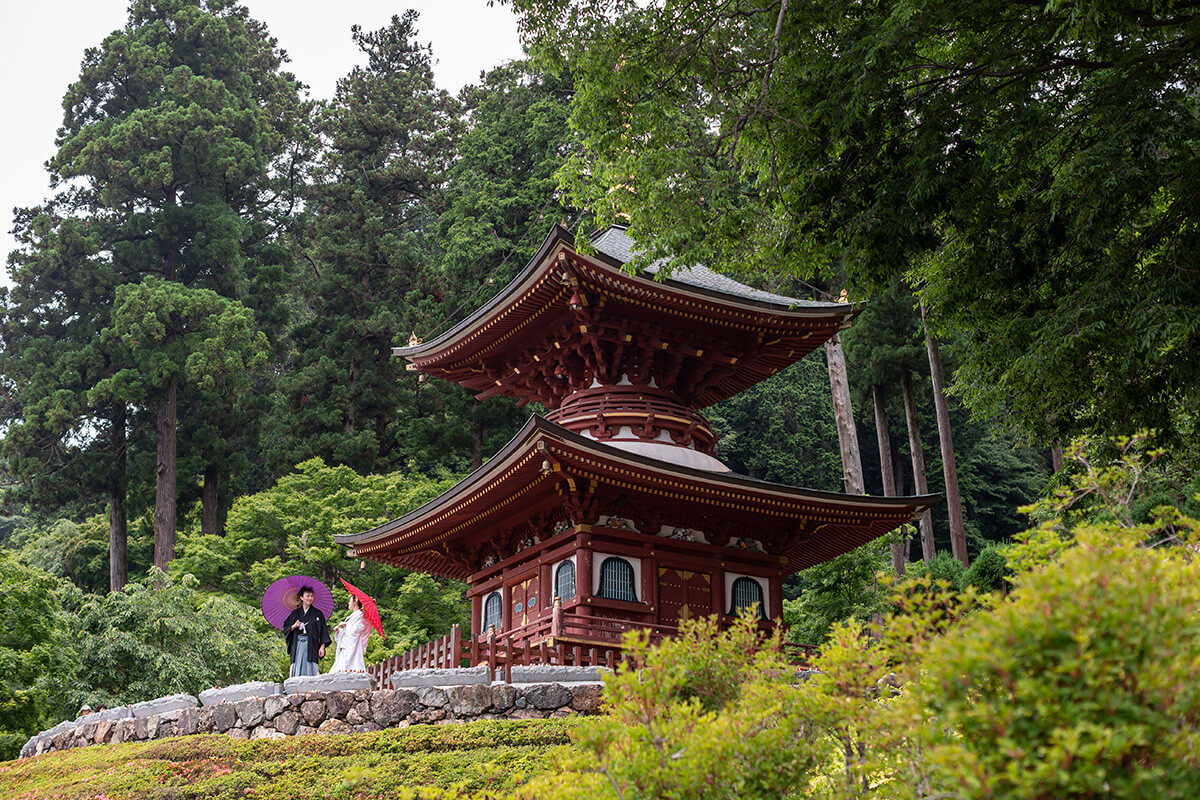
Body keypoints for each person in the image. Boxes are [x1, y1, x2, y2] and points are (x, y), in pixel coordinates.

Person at [282, 586, 331, 677]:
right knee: (297, 665)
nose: (310, 598)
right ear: (301, 597)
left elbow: (323, 630)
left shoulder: (318, 613)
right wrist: (294, 626)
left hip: (312, 645)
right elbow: (285, 627)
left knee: (310, 667)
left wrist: (322, 647)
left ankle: (310, 688)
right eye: (307, 596)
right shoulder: (295, 613)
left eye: (311, 596)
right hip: (298, 645)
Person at [330, 594, 371, 673]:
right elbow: (348, 632)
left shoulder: (361, 616)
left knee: (345, 669)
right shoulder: (353, 616)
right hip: (347, 647)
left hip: (352, 648)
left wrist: (346, 625)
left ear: (355, 601)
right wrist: (340, 630)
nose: (349, 603)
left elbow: (355, 631)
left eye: (350, 601)